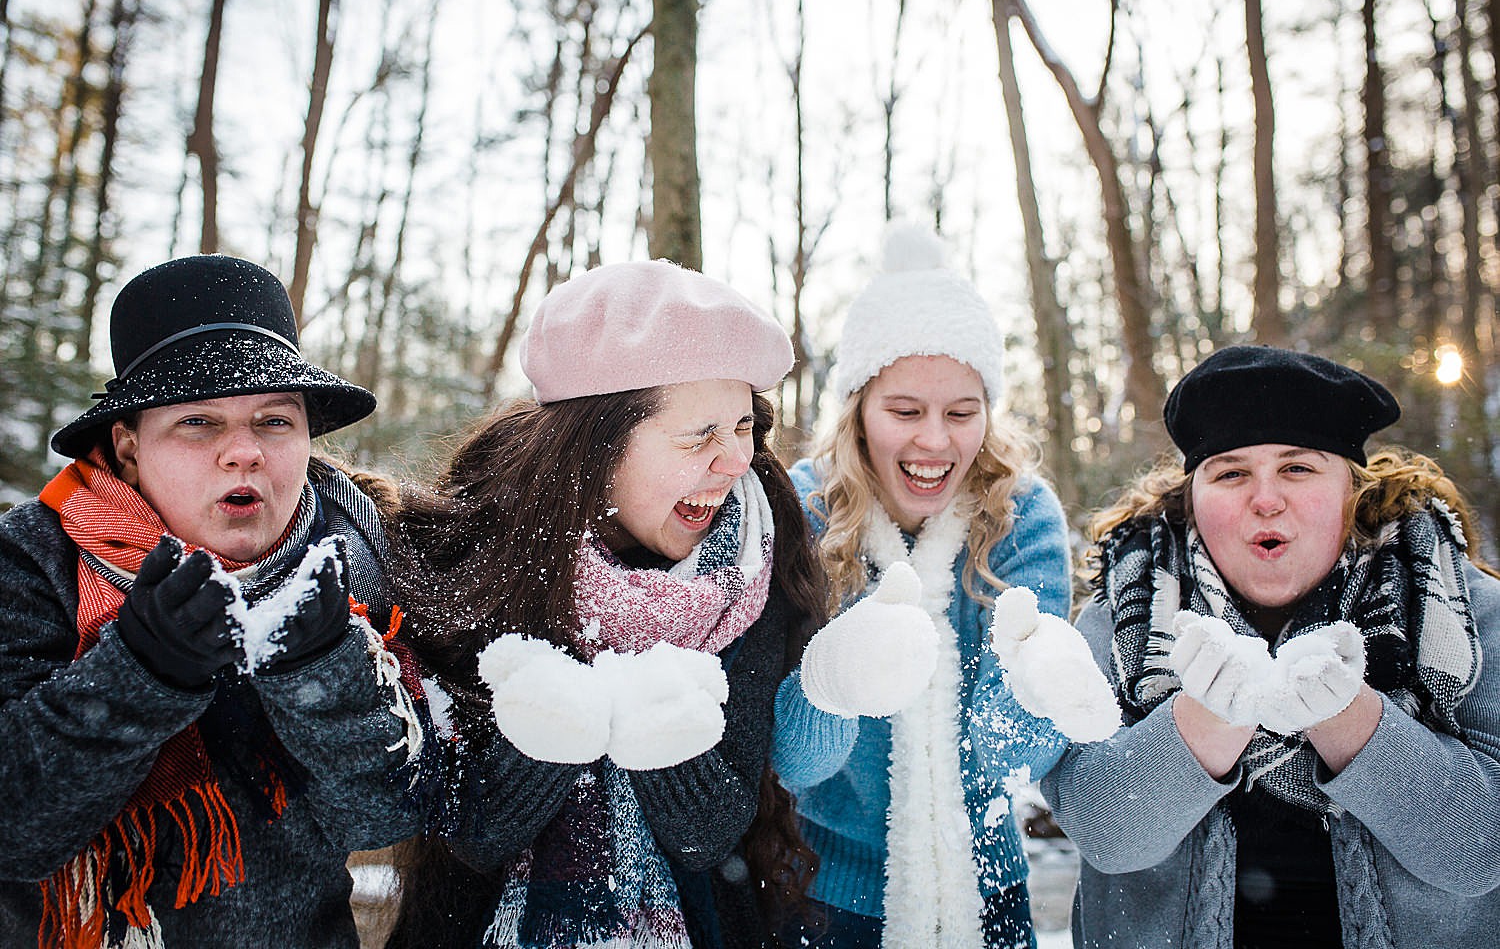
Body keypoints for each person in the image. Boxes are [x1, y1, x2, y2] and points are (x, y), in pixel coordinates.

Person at [381, 260, 827, 949]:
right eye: (698, 435)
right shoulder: (477, 557)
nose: (737, 460)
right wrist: (556, 723)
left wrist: (646, 699)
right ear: (595, 448)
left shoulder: (748, 574)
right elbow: (470, 832)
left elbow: (711, 832)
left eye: (742, 426)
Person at [0, 255, 428, 948]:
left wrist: (323, 668)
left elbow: (386, 818)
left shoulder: (353, 560)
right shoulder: (33, 561)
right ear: (129, 447)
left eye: (273, 421)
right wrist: (140, 672)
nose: (243, 452)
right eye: (198, 422)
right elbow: (13, 832)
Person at [1043, 344, 1500, 949]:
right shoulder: (1122, 618)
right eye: (1230, 473)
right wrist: (1207, 718)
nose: (1265, 499)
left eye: (1298, 468)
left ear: (1352, 490)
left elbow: (1482, 851)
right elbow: (1106, 833)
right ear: (1192, 500)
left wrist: (1349, 718)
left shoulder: (1461, 609)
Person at [770, 224, 1120, 949]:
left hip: (985, 889)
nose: (935, 442)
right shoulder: (798, 512)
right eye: (905, 411)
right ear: (859, 411)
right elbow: (793, 762)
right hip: (818, 888)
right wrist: (835, 686)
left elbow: (1008, 766)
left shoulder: (1022, 517)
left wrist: (1039, 692)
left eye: (962, 413)